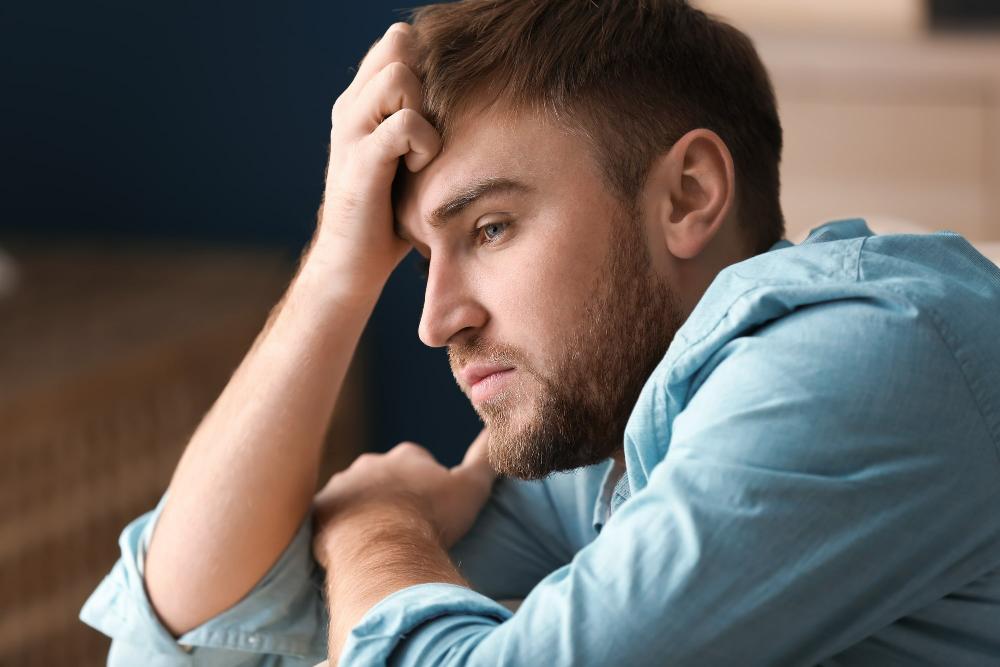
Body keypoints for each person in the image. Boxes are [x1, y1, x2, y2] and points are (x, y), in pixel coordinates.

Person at [80, 1, 1000, 665]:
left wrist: (378, 526)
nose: (439, 319)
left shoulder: (867, 359)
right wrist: (336, 271)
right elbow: (186, 629)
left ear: (686, 196)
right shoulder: (612, 434)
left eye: (489, 229)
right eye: (416, 252)